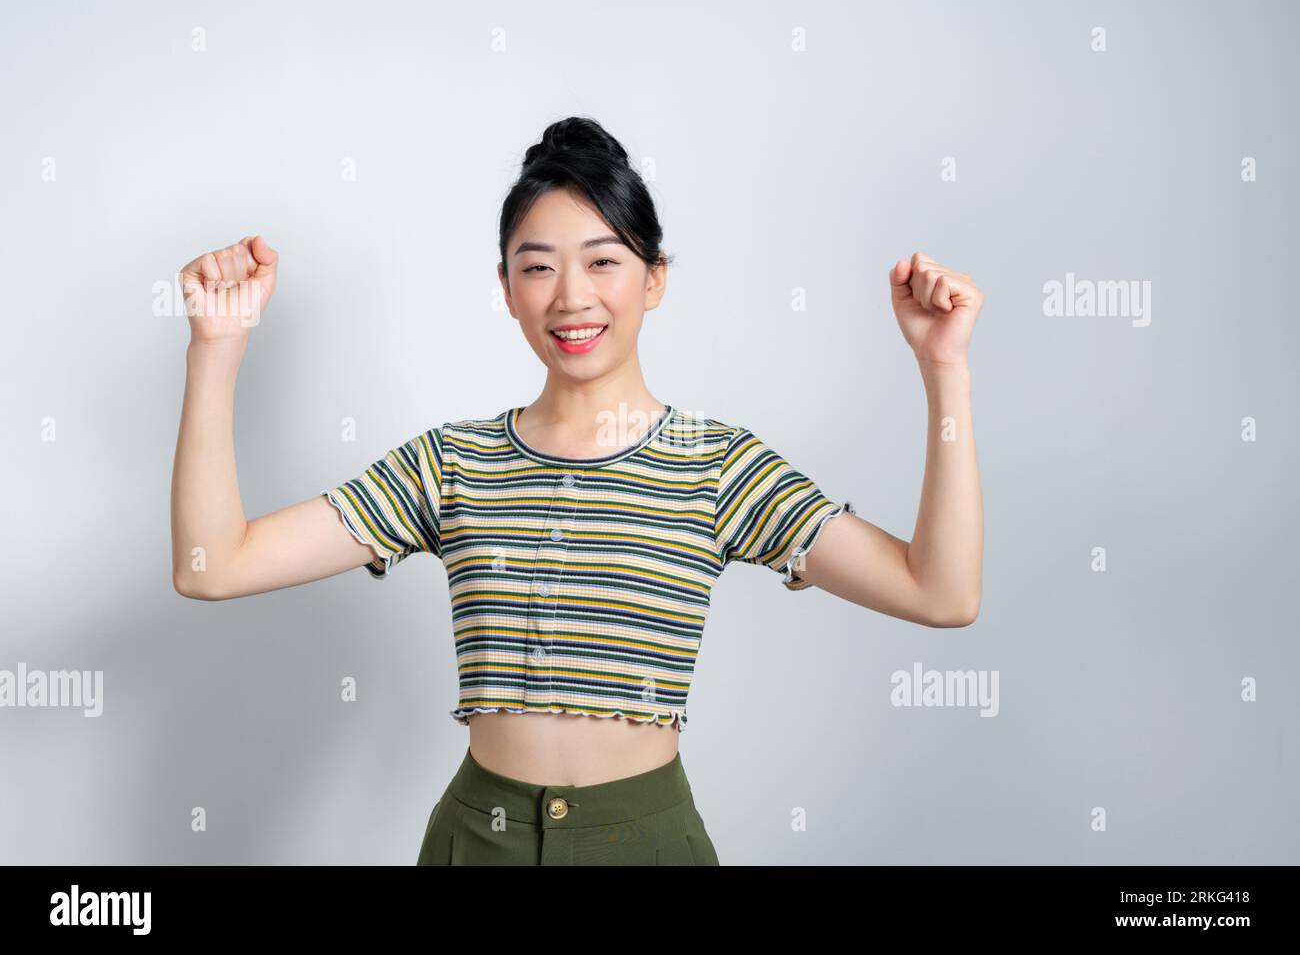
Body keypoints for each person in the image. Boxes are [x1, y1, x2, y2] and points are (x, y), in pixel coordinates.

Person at [170, 115, 984, 866]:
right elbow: (213, 566)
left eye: (604, 260)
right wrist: (217, 347)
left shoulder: (718, 466)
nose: (571, 297)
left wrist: (942, 367)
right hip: (475, 841)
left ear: (654, 278)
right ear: (506, 286)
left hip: (648, 843)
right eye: (538, 267)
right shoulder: (452, 464)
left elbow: (940, 592)